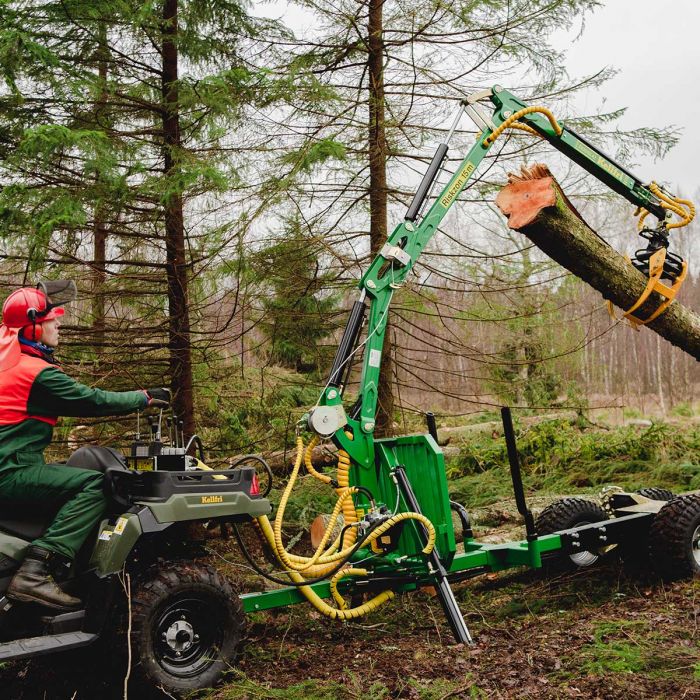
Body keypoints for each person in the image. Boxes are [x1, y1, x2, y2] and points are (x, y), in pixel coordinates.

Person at [0, 284, 170, 610]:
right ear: (32, 327)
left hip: (12, 465)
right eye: (52, 319)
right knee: (96, 484)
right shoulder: (35, 373)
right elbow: (92, 400)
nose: (58, 324)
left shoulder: (7, 355)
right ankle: (37, 569)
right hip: (10, 473)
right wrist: (144, 397)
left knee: (64, 472)